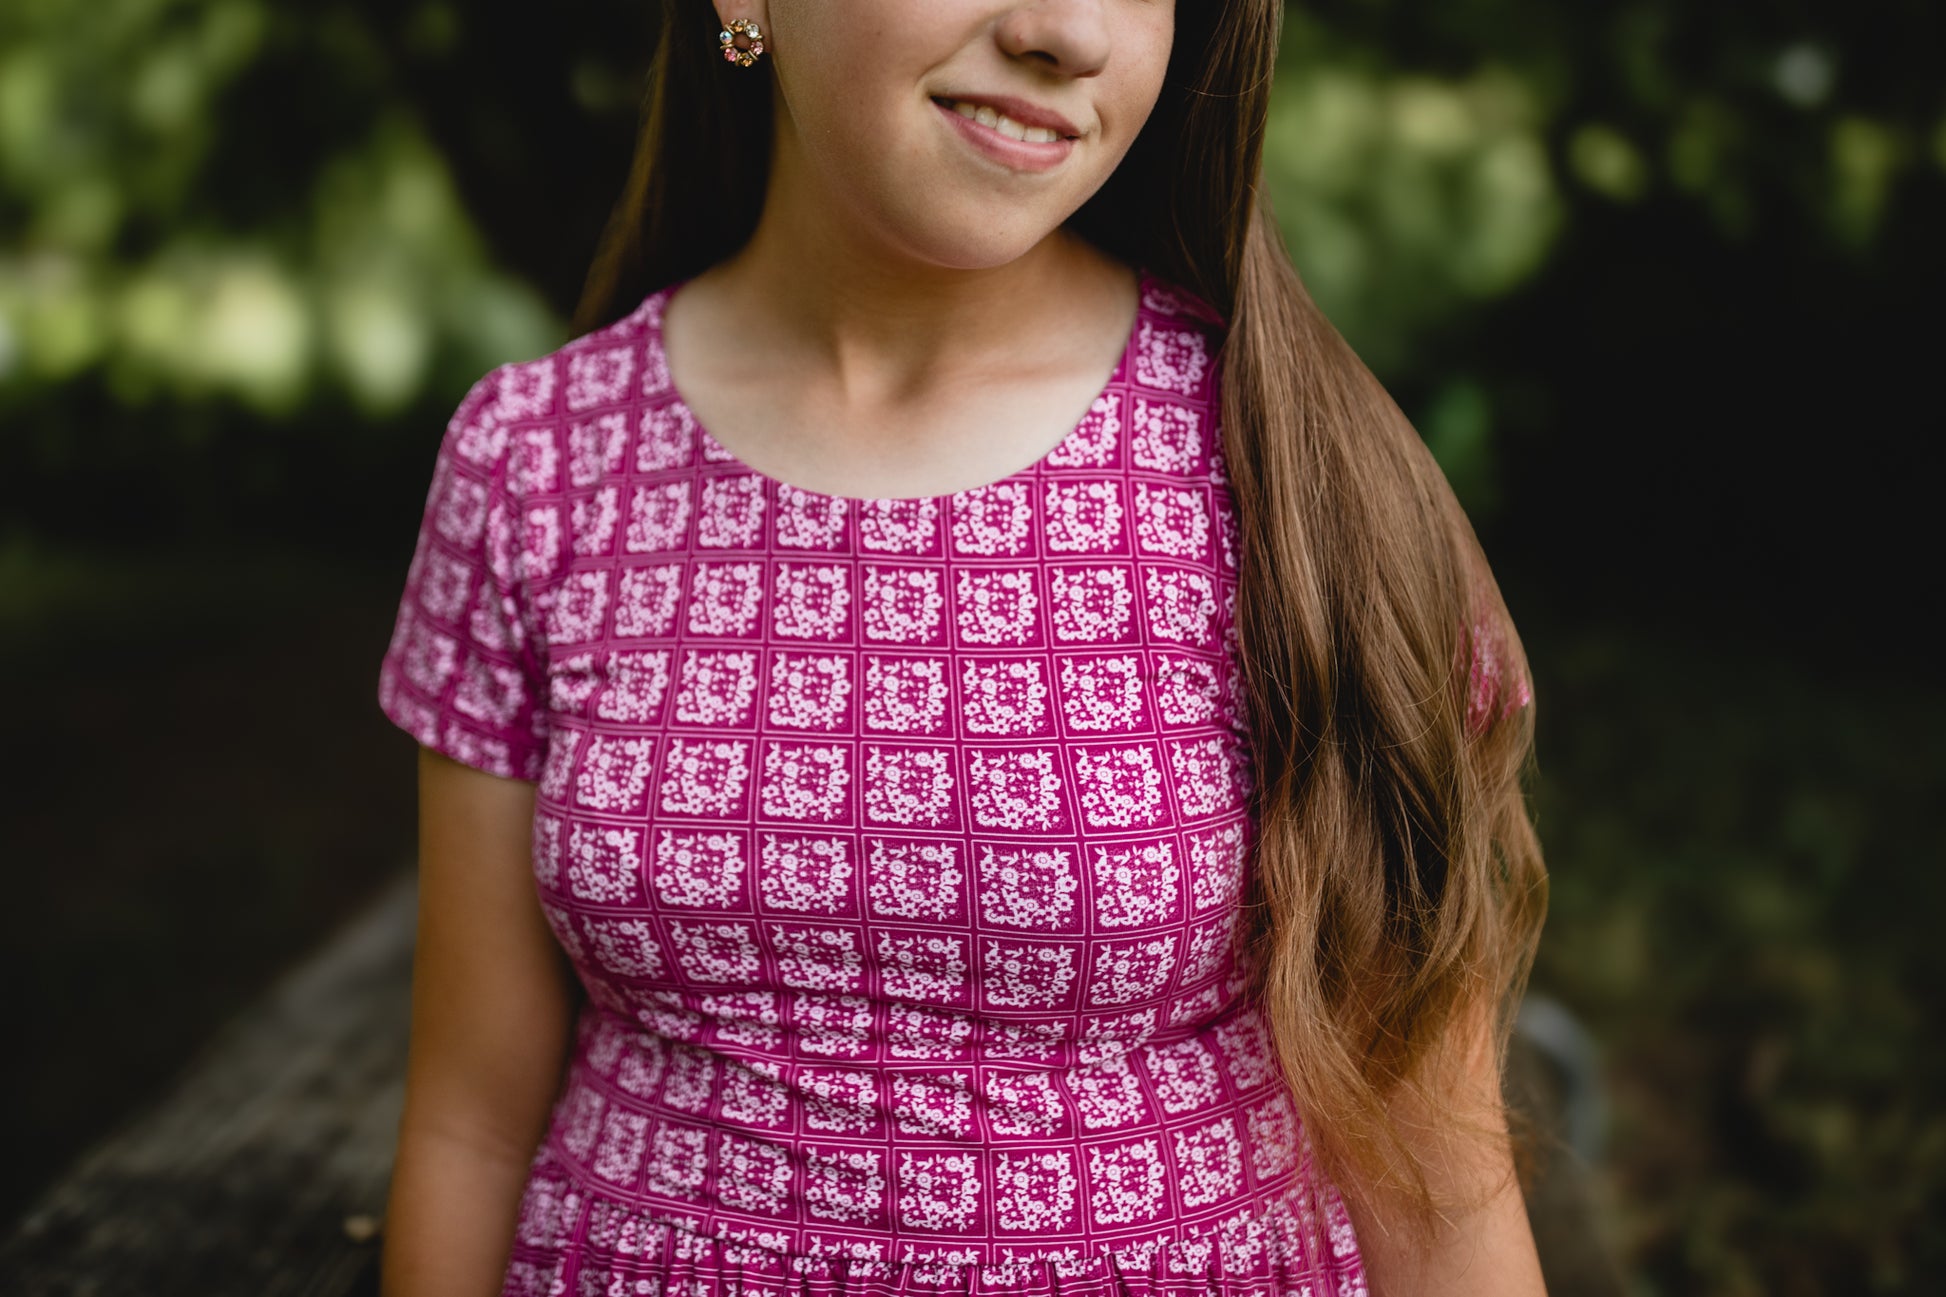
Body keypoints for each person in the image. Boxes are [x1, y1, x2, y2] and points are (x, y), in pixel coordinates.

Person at [373, 2, 1550, 1294]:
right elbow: (469, 1126)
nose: (1068, 32)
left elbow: (1437, 1191)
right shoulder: (538, 460)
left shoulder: (1298, 478)